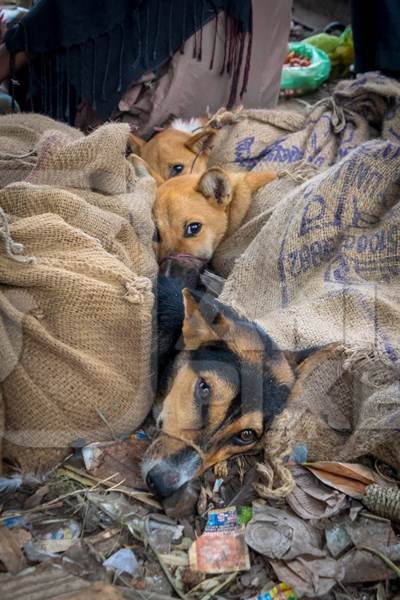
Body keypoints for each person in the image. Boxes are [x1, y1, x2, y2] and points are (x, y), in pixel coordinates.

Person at [0, 0, 292, 132]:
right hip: (250, 119)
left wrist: (14, 44)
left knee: (45, 40)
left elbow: (67, 15)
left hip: (165, 121)